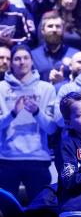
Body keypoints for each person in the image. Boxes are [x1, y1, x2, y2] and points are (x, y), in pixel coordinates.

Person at [0, 45, 56, 203]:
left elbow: (51, 128)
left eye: (25, 58)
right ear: (11, 63)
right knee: (3, 215)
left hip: (38, 159)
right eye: (17, 58)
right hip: (6, 160)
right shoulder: (1, 88)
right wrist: (12, 114)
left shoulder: (47, 89)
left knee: (41, 216)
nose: (21, 62)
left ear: (32, 61)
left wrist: (37, 112)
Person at [31, 11, 79, 85]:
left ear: (63, 30)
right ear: (42, 31)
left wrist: (63, 82)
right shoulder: (33, 56)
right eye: (50, 26)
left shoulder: (75, 54)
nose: (54, 30)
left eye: (58, 26)